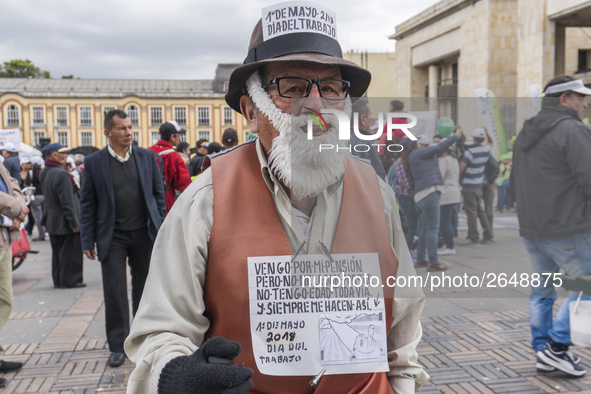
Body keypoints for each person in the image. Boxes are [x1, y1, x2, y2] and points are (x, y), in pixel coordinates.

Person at [125, 7, 428, 394]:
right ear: (252, 112)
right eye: (293, 87)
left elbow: (402, 330)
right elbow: (163, 330)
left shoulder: (376, 193)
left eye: (331, 88)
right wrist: (175, 374)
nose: (316, 106)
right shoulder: (206, 200)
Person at [512, 75, 591, 377]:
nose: (585, 104)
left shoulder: (527, 131)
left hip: (533, 228)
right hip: (567, 227)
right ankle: (556, 348)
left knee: (542, 292)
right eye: (580, 98)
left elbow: (516, 181)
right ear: (564, 99)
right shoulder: (572, 130)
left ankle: (543, 351)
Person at [80, 109, 166, 367]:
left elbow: (158, 195)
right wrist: (87, 240)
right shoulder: (95, 162)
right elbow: (87, 203)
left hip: (144, 234)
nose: (129, 132)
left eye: (130, 127)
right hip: (112, 237)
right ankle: (117, 346)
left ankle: (141, 342)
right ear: (108, 133)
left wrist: (160, 227)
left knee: (144, 291)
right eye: (122, 128)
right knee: (115, 292)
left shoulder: (147, 157)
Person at [409, 131, 462, 271]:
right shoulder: (419, 153)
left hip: (421, 195)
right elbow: (439, 148)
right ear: (419, 145)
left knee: (425, 229)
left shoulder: (418, 155)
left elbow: (439, 150)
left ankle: (420, 259)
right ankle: (433, 261)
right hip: (429, 193)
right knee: (433, 228)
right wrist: (455, 136)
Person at [39, 143, 85, 289]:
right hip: (65, 221)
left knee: (58, 253)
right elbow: (67, 202)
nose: (66, 156)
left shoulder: (45, 171)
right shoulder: (61, 173)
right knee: (70, 253)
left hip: (52, 220)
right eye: (63, 154)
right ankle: (71, 280)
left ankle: (59, 280)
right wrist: (74, 222)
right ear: (54, 155)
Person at [0, 158, 29, 387]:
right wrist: (17, 209)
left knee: (4, 300)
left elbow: (14, 184)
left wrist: (19, 206)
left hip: (4, 238)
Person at [148, 121, 191, 214]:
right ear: (172, 137)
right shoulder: (174, 156)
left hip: (147, 202)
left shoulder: (148, 151)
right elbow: (183, 183)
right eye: (179, 135)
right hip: (165, 202)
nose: (180, 138)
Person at [459, 128, 494, 244]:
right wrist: (487, 132)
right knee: (481, 211)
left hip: (468, 186)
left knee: (471, 213)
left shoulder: (470, 152)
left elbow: (462, 167)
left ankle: (474, 237)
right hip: (479, 185)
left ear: (473, 139)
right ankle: (488, 233)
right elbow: (491, 143)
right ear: (483, 138)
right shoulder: (486, 150)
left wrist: (459, 178)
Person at [349, 97, 386, 179]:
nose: (371, 119)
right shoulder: (365, 142)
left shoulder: (332, 137)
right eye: (370, 114)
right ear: (363, 119)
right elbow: (378, 178)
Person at [437, 138, 461, 255]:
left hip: (447, 194)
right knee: (449, 221)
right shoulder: (454, 160)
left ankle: (450, 246)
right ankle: (449, 244)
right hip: (455, 193)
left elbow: (440, 176)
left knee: (444, 222)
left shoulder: (444, 161)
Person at [396, 137, 418, 253]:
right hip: (406, 197)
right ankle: (407, 253)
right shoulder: (400, 163)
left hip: (409, 196)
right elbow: (406, 183)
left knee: (412, 227)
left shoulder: (409, 162)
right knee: (410, 227)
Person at [29, 156, 46, 241]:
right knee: (45, 215)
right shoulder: (43, 172)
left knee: (38, 217)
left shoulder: (31, 173)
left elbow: (27, 184)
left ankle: (41, 234)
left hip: (35, 196)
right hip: (45, 195)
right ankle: (47, 232)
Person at [482, 150, 499, 228]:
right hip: (480, 184)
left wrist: (491, 180)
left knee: (488, 209)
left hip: (486, 184)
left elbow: (495, 166)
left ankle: (489, 231)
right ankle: (488, 230)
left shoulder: (486, 154)